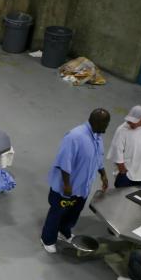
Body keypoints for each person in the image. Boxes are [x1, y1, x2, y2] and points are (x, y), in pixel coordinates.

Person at [40, 108, 110, 253]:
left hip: (82, 187)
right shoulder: (74, 137)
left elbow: (98, 157)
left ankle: (64, 232)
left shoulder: (97, 136)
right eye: (105, 123)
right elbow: (64, 162)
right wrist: (67, 185)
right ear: (96, 122)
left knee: (73, 212)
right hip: (66, 188)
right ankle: (47, 239)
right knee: (57, 212)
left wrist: (103, 174)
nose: (107, 127)